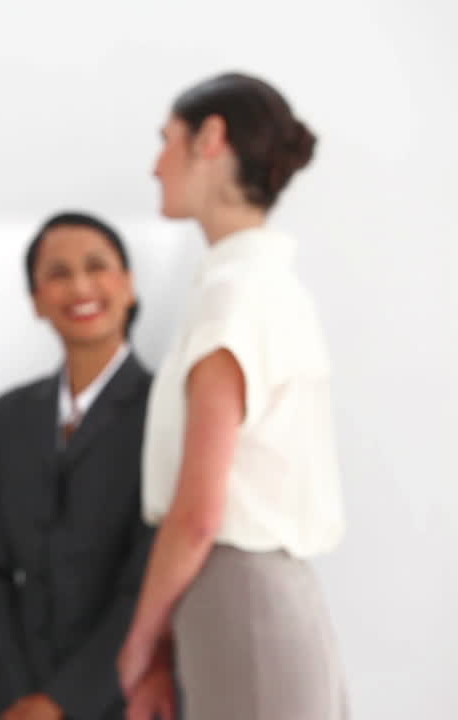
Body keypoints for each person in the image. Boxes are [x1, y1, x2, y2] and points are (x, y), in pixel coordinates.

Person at [118, 72, 347, 720]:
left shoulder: (232, 298)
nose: (155, 165)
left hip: (238, 599)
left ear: (210, 138)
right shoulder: (270, 288)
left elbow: (197, 512)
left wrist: (140, 644)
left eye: (167, 141)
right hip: (270, 602)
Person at [0, 212, 169, 720]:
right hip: (22, 699)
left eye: (96, 266)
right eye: (57, 274)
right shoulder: (10, 416)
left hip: (129, 697)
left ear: (128, 286)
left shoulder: (169, 410)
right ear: (36, 300)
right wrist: (16, 697)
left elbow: (150, 575)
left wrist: (63, 703)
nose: (79, 285)